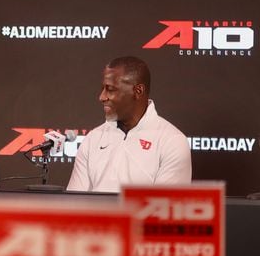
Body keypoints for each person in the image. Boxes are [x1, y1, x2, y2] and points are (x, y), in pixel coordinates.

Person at [67, 56, 191, 192]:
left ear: (138, 91)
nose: (102, 97)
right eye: (102, 89)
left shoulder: (172, 141)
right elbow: (75, 203)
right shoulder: (93, 138)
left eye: (111, 89)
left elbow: (164, 208)